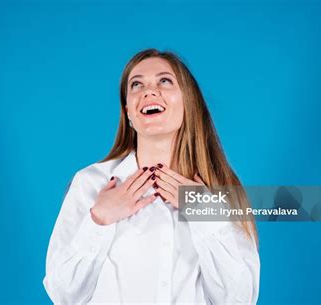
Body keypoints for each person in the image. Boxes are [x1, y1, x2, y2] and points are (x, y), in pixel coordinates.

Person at [43, 49, 260, 305]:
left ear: (188, 102)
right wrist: (99, 220)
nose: (149, 91)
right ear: (128, 111)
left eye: (164, 81)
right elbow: (63, 295)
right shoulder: (90, 183)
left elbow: (240, 299)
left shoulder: (220, 192)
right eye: (136, 85)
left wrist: (205, 214)